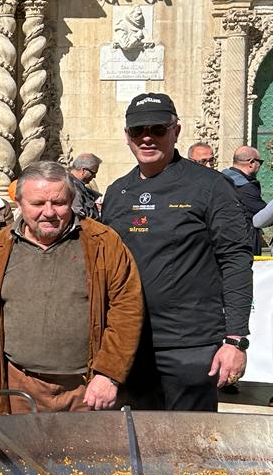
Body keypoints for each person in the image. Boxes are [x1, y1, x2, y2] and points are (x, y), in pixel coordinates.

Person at [102, 93, 252, 412]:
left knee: (191, 451)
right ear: (127, 136)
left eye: (157, 129)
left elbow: (236, 260)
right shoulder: (117, 192)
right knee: (134, 447)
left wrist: (236, 339)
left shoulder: (211, 187)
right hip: (131, 346)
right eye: (137, 130)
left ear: (176, 131)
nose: (147, 137)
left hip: (191, 345)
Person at [0, 161, 143, 414]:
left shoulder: (103, 243)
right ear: (19, 204)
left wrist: (109, 374)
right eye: (37, 204)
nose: (49, 212)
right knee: (21, 454)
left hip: (87, 389)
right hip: (18, 389)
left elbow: (127, 310)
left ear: (71, 200)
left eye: (58, 203)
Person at [222, 146, 267, 254]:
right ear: (251, 163)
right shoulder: (244, 187)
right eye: (260, 162)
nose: (260, 166)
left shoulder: (221, 180)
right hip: (243, 245)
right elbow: (265, 215)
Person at [69, 153, 103, 219]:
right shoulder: (71, 187)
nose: (94, 177)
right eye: (93, 173)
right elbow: (79, 217)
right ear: (83, 170)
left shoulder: (78, 186)